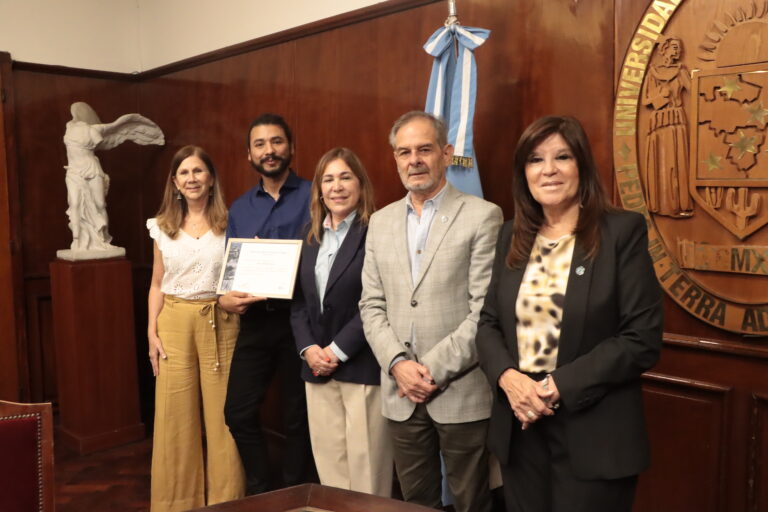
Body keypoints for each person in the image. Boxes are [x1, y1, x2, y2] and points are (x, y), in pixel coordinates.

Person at [475, 116, 663, 512]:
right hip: (521, 426)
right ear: (522, 172)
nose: (548, 170)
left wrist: (551, 387)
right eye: (535, 159)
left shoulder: (621, 233)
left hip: (592, 433)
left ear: (582, 166)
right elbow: (489, 324)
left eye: (562, 157)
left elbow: (640, 339)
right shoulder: (511, 235)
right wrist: (509, 379)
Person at [359, 111, 502, 512]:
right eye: (404, 152)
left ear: (447, 153)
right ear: (395, 158)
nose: (414, 160)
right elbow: (370, 305)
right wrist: (399, 365)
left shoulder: (482, 215)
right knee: (413, 503)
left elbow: (484, 312)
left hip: (460, 389)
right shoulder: (381, 222)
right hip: (400, 391)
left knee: (472, 501)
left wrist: (431, 370)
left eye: (424, 149)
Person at [220, 113, 314, 495]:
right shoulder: (240, 208)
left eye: (276, 142)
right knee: (237, 412)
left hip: (301, 320)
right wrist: (224, 298)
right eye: (260, 144)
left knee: (297, 418)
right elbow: (230, 270)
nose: (269, 151)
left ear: (290, 148)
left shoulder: (315, 195)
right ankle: (261, 490)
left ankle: (294, 493)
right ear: (249, 154)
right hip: (255, 321)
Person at [290, 147, 393, 496]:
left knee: (368, 474)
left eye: (345, 177)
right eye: (328, 179)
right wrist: (308, 349)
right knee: (330, 469)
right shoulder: (309, 234)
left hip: (360, 367)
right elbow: (300, 301)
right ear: (319, 189)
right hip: (315, 369)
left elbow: (378, 302)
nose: (336, 186)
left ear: (360, 185)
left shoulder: (377, 231)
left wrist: (336, 350)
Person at [147, 145, 244, 511]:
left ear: (211, 178)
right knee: (174, 417)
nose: (192, 178)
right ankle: (177, 503)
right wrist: (151, 335)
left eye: (198, 171)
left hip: (221, 320)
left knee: (224, 418)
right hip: (172, 321)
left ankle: (227, 502)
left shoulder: (230, 223)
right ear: (175, 182)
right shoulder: (161, 227)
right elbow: (156, 284)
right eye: (184, 173)